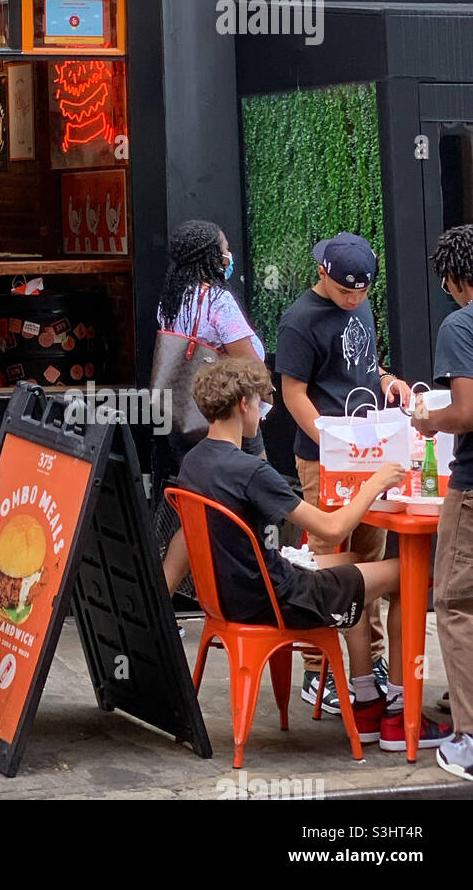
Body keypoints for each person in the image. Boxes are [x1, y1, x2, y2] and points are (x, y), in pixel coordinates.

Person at [178, 359, 451, 751]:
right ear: (242, 405)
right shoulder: (252, 472)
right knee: (409, 571)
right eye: (259, 403)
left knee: (355, 561)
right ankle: (397, 712)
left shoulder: (195, 461)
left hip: (231, 594)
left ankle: (366, 700)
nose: (262, 413)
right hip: (274, 597)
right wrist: (375, 482)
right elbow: (333, 528)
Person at [276, 232, 412, 714]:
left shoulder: (362, 309)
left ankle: (369, 661)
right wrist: (330, 440)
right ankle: (318, 669)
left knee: (368, 557)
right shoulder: (299, 321)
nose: (353, 299)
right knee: (326, 555)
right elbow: (293, 393)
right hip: (322, 456)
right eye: (344, 291)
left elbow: (365, 368)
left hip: (368, 449)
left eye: (362, 292)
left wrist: (390, 381)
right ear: (323, 275)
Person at [156, 219, 268, 598]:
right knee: (256, 507)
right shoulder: (218, 302)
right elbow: (249, 364)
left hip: (186, 421)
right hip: (231, 422)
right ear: (210, 256)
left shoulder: (171, 301)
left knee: (194, 517)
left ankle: (162, 599)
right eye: (223, 248)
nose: (229, 255)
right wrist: (268, 395)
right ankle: (247, 598)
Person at [413, 224, 473, 781]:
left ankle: (469, 738)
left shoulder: (461, 322)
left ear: (455, 279)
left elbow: (466, 412)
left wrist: (428, 420)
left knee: (454, 603)